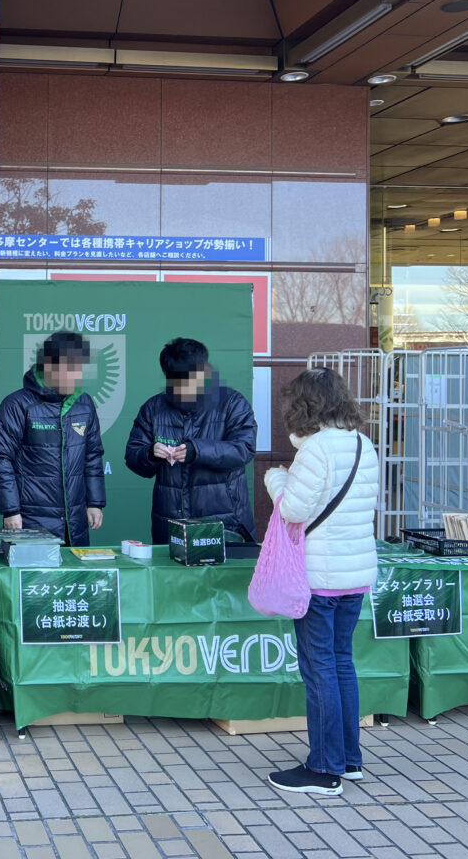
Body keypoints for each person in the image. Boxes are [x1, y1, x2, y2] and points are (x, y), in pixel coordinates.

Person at [263, 367, 378, 796]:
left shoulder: (315, 450)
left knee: (320, 671)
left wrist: (276, 478)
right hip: (354, 576)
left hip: (318, 578)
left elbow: (293, 510)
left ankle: (324, 768)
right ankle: (348, 760)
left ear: (304, 406)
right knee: (342, 663)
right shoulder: (363, 445)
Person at [124, 337, 258, 543]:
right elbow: (133, 457)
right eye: (177, 382)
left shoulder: (232, 403)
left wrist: (197, 450)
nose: (183, 389)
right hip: (170, 523)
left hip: (224, 522)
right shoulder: (153, 409)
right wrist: (151, 453)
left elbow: (244, 449)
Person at [0, 332, 105, 546]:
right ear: (49, 368)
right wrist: (11, 510)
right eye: (71, 370)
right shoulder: (17, 405)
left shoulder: (84, 404)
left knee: (75, 578)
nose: (77, 376)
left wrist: (94, 502)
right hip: (30, 520)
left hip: (74, 522)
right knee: (36, 578)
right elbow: (1, 458)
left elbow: (92, 456)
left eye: (79, 369)